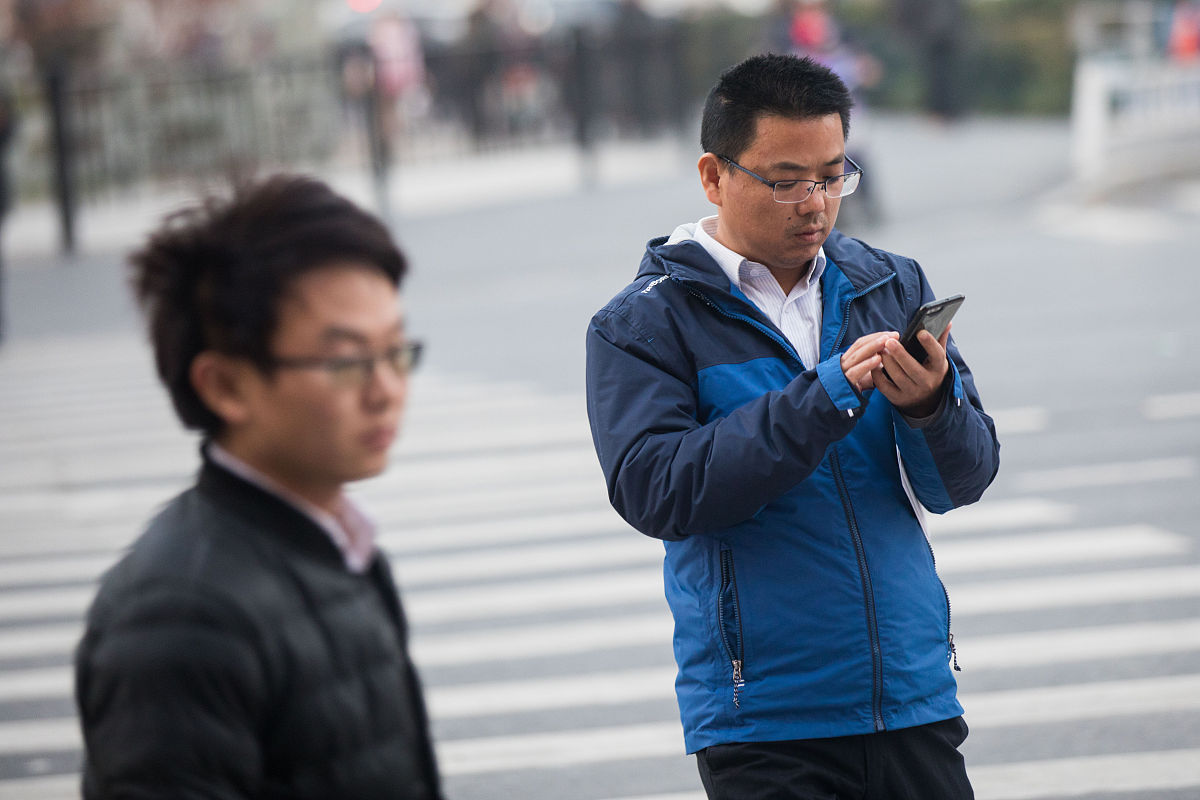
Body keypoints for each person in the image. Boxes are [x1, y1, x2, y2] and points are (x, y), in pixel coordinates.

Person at [585, 54, 999, 799]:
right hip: (766, 721)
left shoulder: (888, 282)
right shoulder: (645, 322)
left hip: (910, 693)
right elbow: (658, 492)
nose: (815, 203)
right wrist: (825, 394)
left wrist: (933, 405)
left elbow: (960, 482)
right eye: (786, 182)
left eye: (834, 176)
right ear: (713, 176)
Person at [74, 175, 443, 800]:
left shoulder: (338, 547)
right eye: (347, 361)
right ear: (225, 386)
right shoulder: (179, 616)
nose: (386, 390)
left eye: (395, 351)